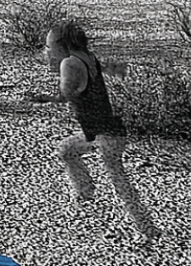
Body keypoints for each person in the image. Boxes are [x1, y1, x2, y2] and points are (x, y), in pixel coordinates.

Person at [31, 20, 160, 241]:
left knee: (120, 183)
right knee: (67, 151)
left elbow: (66, 94)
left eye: (49, 46)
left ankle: (148, 230)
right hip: (99, 132)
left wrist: (44, 96)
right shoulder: (88, 57)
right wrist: (116, 69)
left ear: (62, 46)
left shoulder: (69, 63)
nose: (48, 51)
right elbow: (106, 69)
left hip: (106, 135)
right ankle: (85, 193)